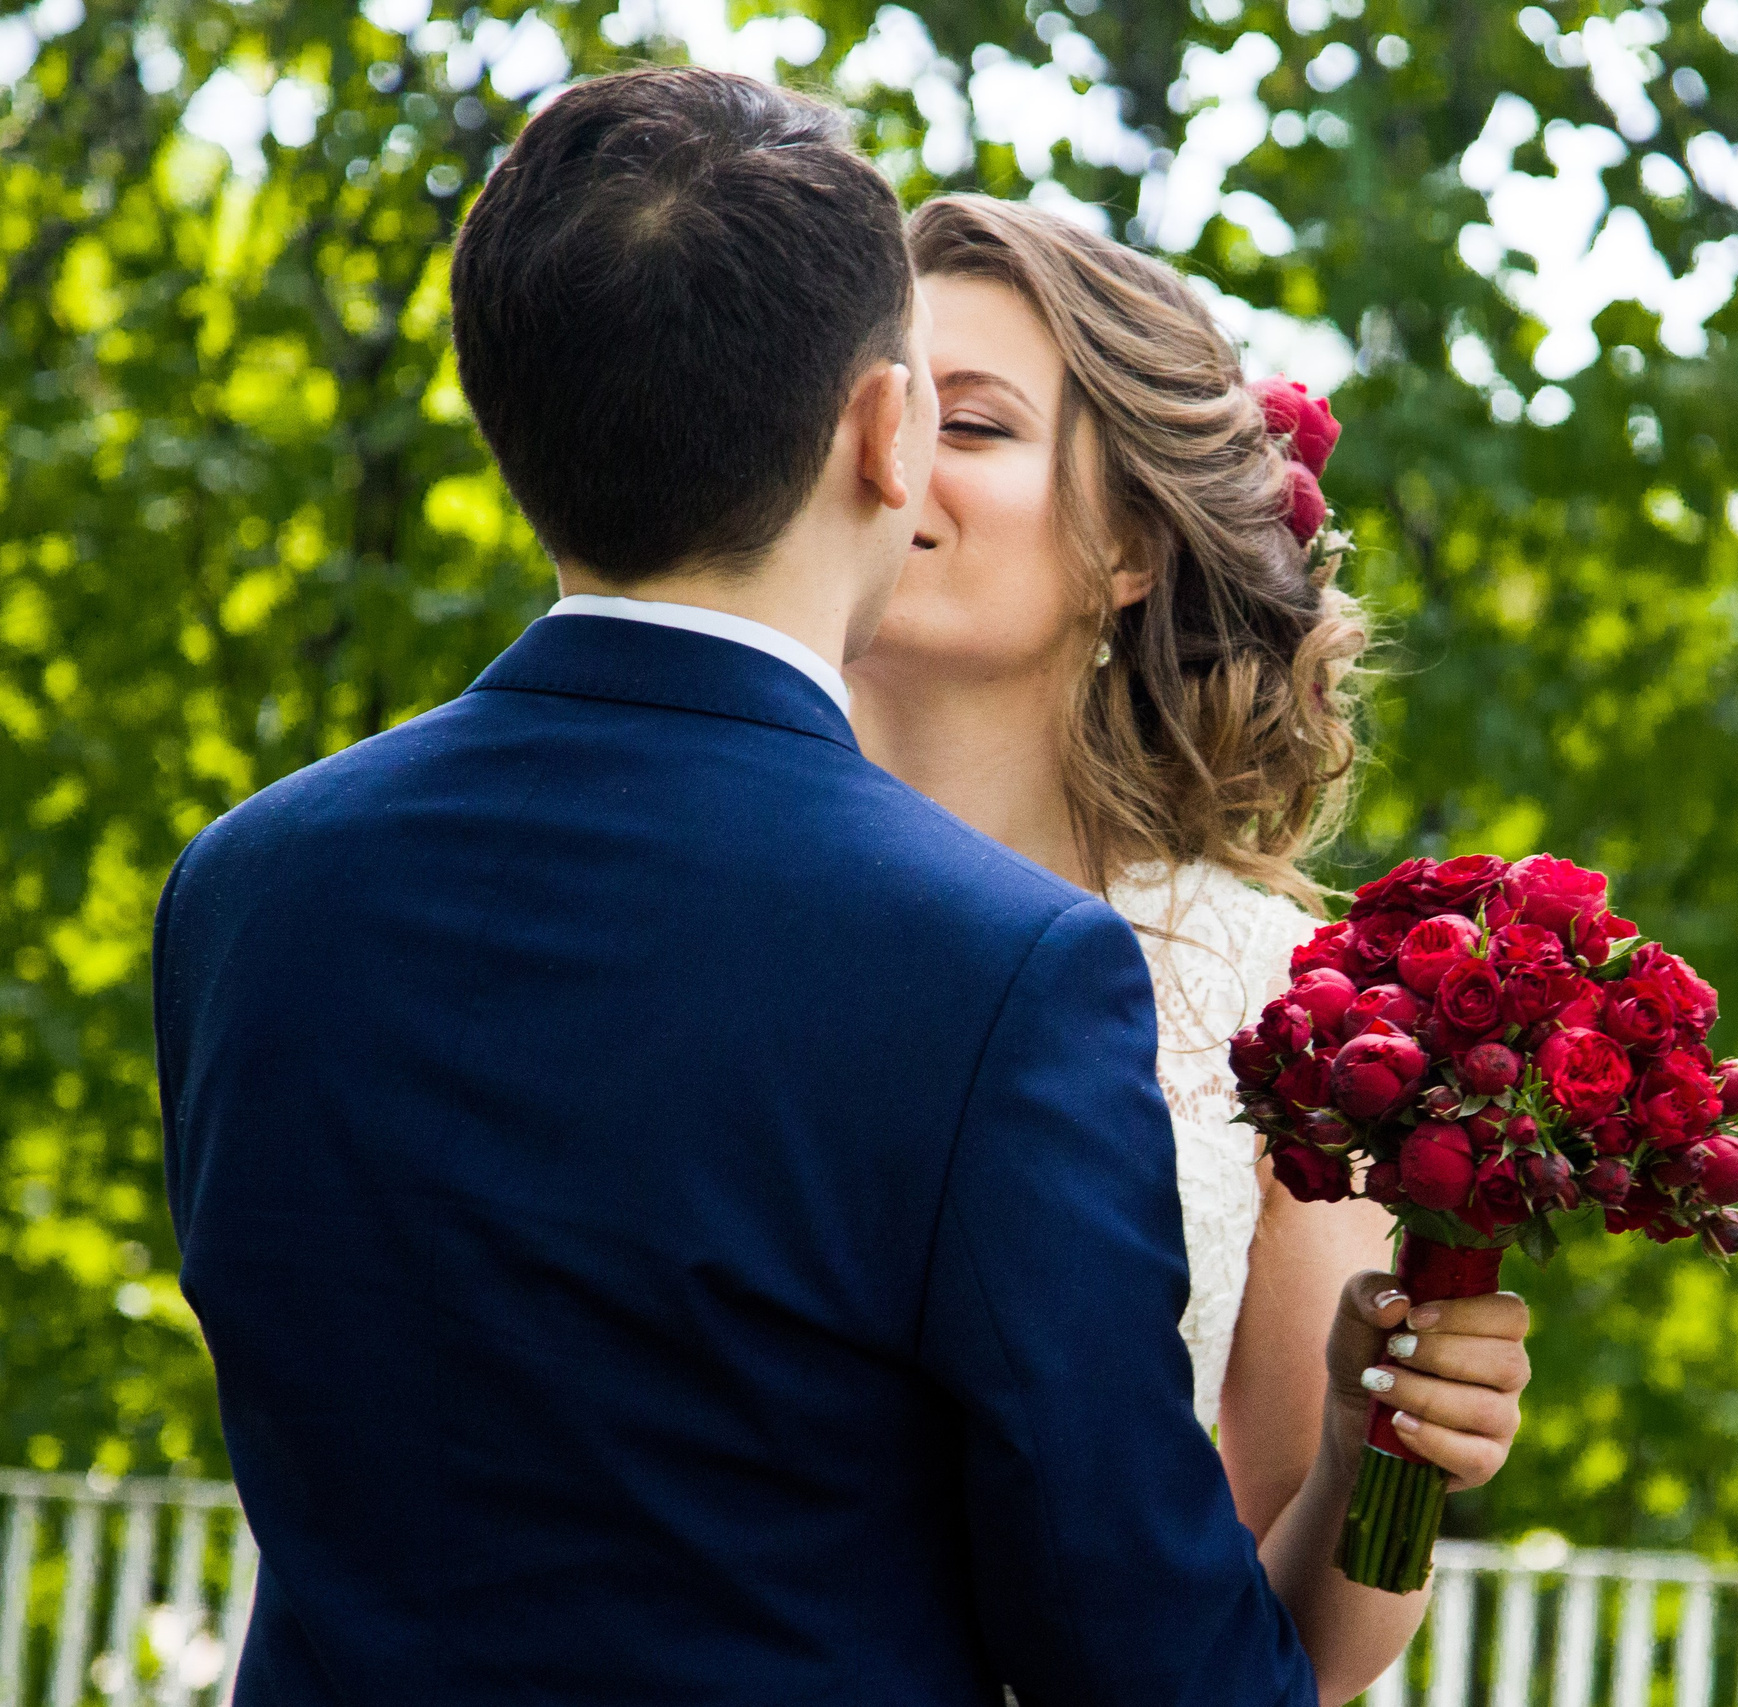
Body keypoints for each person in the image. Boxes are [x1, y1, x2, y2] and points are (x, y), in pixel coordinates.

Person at [153, 68, 1318, 1704]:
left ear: (510, 417)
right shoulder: (1001, 972)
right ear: (881, 433)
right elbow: (1141, 1659)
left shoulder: (249, 888)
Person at [846, 193, 1535, 1701]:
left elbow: (1297, 1649)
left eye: (971, 424)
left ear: (1133, 549)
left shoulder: (1275, 998)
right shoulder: (692, 877)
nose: (892, 463)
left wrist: (1375, 1455)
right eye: (872, 406)